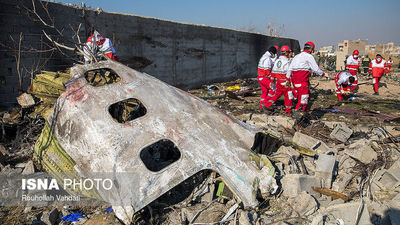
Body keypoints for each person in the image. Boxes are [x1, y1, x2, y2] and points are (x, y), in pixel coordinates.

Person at [286, 41, 324, 112]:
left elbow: (289, 69)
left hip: (295, 82)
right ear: (311, 49)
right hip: (302, 81)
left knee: (307, 95)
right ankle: (299, 114)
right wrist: (322, 74)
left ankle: (301, 108)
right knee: (303, 99)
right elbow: (315, 69)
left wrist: (287, 79)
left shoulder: (296, 56)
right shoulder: (309, 56)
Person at [263, 46, 293, 114]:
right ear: (286, 53)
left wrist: (271, 81)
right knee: (289, 96)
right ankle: (288, 111)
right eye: (288, 52)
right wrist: (289, 81)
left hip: (278, 82)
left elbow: (273, 72)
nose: (289, 54)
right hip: (285, 82)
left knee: (276, 95)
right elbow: (289, 73)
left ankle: (267, 105)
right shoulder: (287, 62)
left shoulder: (277, 61)